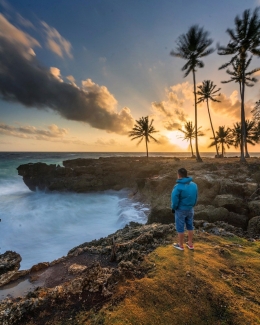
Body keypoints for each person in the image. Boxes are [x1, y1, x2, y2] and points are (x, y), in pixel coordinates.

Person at [171, 167, 198, 251]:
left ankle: (180, 245)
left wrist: (173, 208)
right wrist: (192, 205)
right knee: (190, 226)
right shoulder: (194, 185)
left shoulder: (178, 186)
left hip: (180, 210)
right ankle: (190, 244)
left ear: (179, 175)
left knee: (180, 227)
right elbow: (196, 197)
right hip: (190, 209)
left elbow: (175, 199)